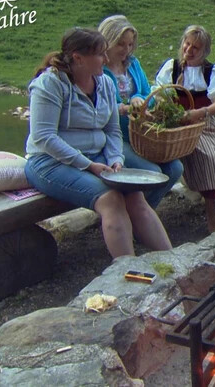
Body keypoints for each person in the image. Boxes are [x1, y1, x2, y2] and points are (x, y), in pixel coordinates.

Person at [25, 27, 172, 258]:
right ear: (78, 58)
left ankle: (174, 261)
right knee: (111, 199)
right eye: (100, 54)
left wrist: (115, 159)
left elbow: (112, 129)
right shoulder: (50, 84)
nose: (106, 59)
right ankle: (127, 270)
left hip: (96, 157)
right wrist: (88, 165)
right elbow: (44, 137)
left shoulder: (104, 83)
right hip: (49, 162)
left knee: (134, 195)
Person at [155, 25, 215, 233]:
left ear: (204, 51)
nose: (189, 49)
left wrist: (199, 113)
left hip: (207, 123)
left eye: (196, 47)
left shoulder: (212, 70)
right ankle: (211, 213)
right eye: (188, 44)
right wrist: (170, 112)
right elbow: (159, 95)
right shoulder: (172, 68)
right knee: (207, 158)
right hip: (182, 128)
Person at [98, 15, 183, 208]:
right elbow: (97, 107)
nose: (126, 50)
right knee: (151, 171)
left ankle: (144, 213)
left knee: (175, 168)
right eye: (121, 44)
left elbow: (147, 92)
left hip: (141, 133)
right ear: (107, 41)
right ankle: (136, 216)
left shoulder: (133, 63)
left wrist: (139, 97)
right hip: (115, 136)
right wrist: (124, 108)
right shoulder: (99, 69)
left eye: (129, 45)